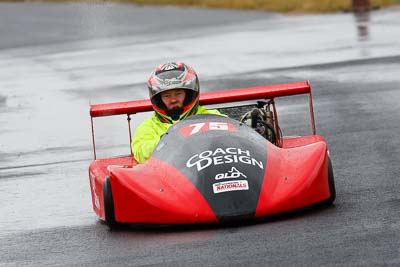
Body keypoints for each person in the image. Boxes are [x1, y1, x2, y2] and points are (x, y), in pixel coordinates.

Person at [131, 62, 224, 163]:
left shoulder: (210, 116)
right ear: (158, 99)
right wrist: (172, 139)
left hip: (209, 168)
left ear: (188, 94)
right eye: (167, 96)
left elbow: (231, 139)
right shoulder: (148, 127)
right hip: (171, 174)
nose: (173, 100)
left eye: (178, 94)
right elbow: (141, 153)